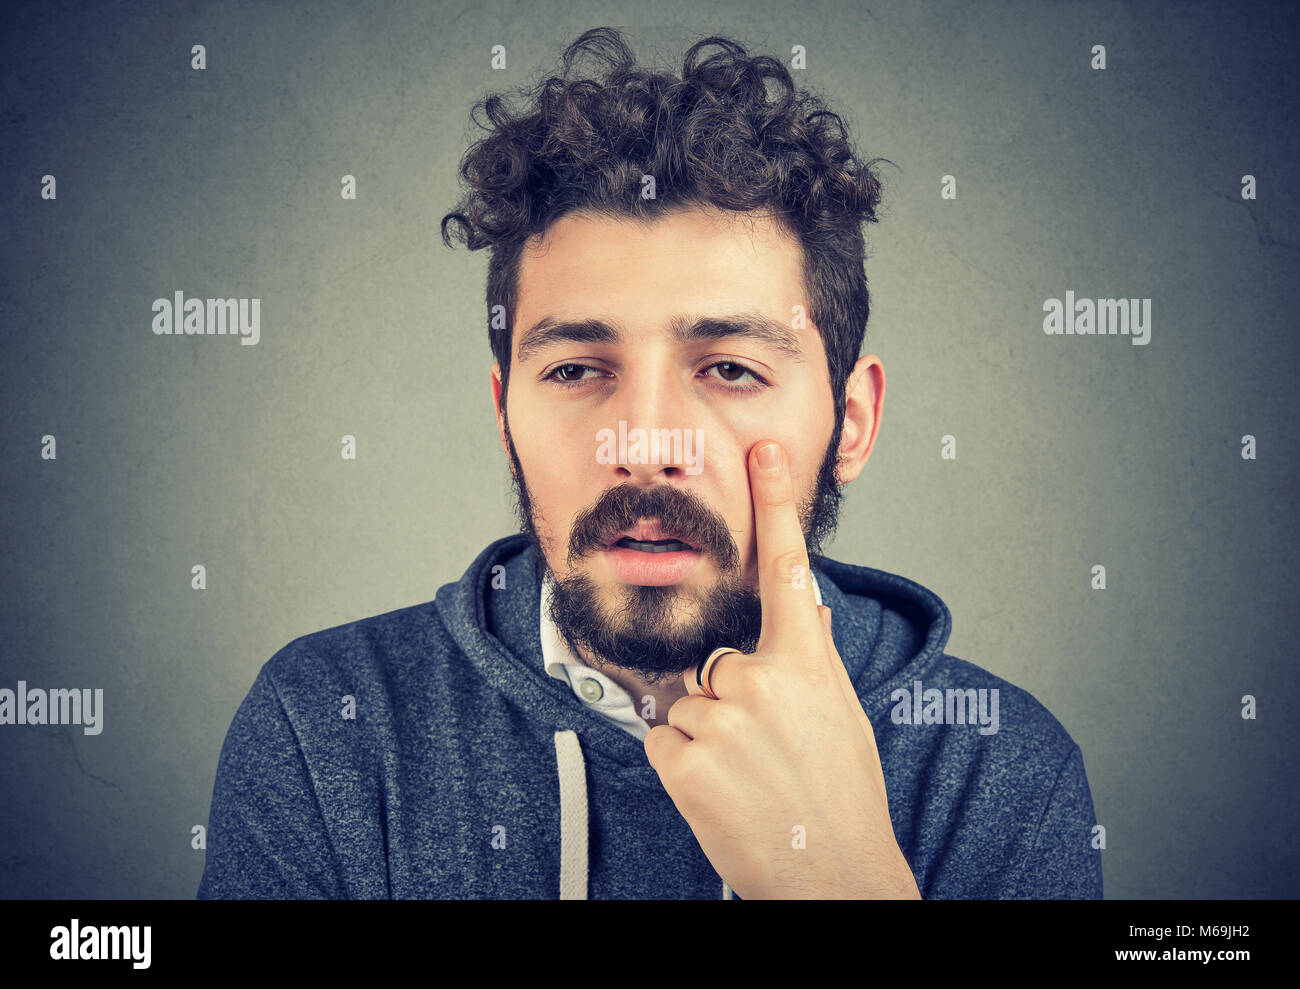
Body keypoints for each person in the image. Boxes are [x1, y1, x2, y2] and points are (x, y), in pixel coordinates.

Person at [197, 27, 1102, 899]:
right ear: (505, 418)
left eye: (732, 370)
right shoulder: (324, 727)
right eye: (578, 370)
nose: (645, 445)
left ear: (853, 422)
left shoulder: (1000, 769)